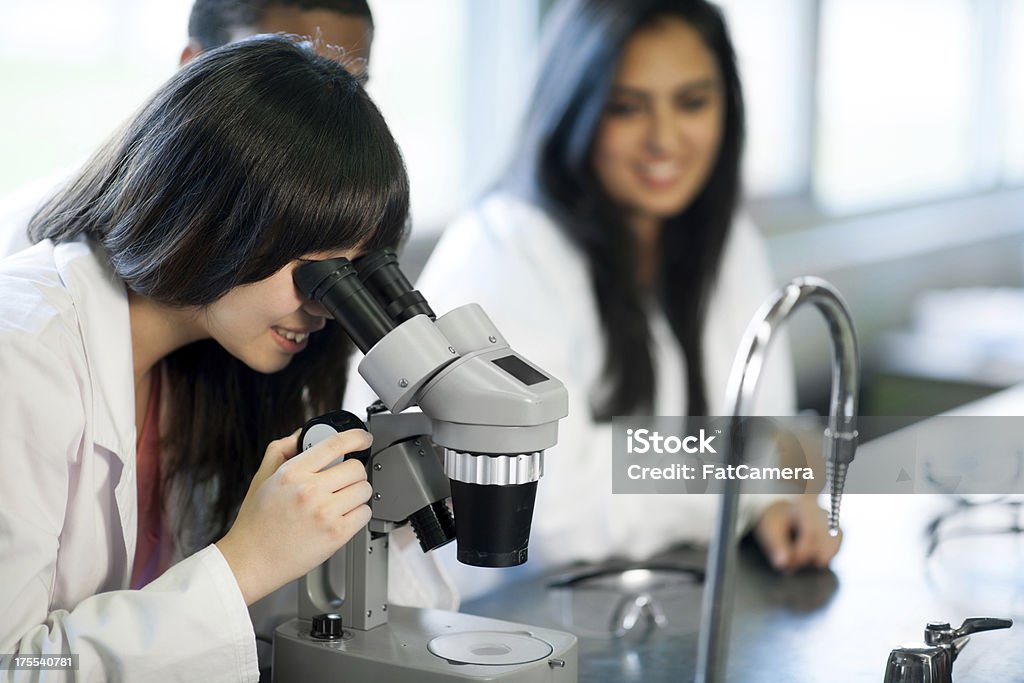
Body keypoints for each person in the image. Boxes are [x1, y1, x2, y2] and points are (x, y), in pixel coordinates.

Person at [0, 36, 405, 682]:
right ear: (213, 214)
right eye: (313, 269)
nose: (326, 308)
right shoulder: (21, 354)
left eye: (350, 275)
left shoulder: (209, 366)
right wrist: (244, 561)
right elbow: (13, 666)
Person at [412, 0, 842, 599]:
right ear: (576, 110)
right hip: (497, 618)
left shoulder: (727, 239)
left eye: (692, 103)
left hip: (641, 600)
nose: (664, 140)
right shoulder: (506, 249)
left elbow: (774, 439)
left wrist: (773, 504)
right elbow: (552, 506)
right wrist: (751, 482)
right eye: (625, 108)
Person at [0, 0, 375, 258]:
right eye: (283, 81)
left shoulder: (340, 239)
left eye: (347, 87)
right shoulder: (28, 240)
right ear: (194, 66)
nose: (325, 117)